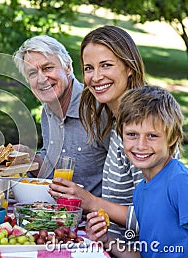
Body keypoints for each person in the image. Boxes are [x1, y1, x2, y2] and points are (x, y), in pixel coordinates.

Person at [49, 25, 147, 242]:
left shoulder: (142, 129)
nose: (96, 77)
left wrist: (91, 201)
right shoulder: (115, 124)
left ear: (129, 66)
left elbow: (157, 218)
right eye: (89, 68)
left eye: (106, 65)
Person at [86, 85, 188, 258]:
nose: (141, 145)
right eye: (132, 134)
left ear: (172, 138)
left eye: (152, 136)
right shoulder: (141, 191)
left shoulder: (179, 182)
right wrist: (106, 239)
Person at [12, 35, 108, 197]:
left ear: (68, 67)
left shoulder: (99, 109)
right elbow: (51, 170)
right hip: (58, 213)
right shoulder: (47, 111)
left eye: (48, 68)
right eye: (33, 73)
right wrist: (29, 157)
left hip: (97, 218)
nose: (41, 79)